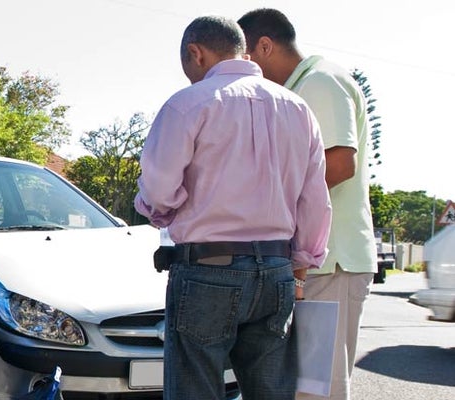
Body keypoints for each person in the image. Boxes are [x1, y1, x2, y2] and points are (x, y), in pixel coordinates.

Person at [135, 16, 331, 399]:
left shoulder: (187, 104)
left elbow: (159, 192)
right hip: (277, 272)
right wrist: (301, 271)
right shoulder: (298, 109)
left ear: (196, 53)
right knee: (270, 392)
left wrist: (161, 210)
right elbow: (315, 201)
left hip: (208, 268)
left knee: (195, 389)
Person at [238, 9, 378, 400]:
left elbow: (339, 164)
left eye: (245, 60)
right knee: (305, 387)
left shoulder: (319, 83)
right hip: (314, 264)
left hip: (331, 264)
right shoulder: (297, 90)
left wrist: (271, 208)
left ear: (264, 47)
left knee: (319, 389)